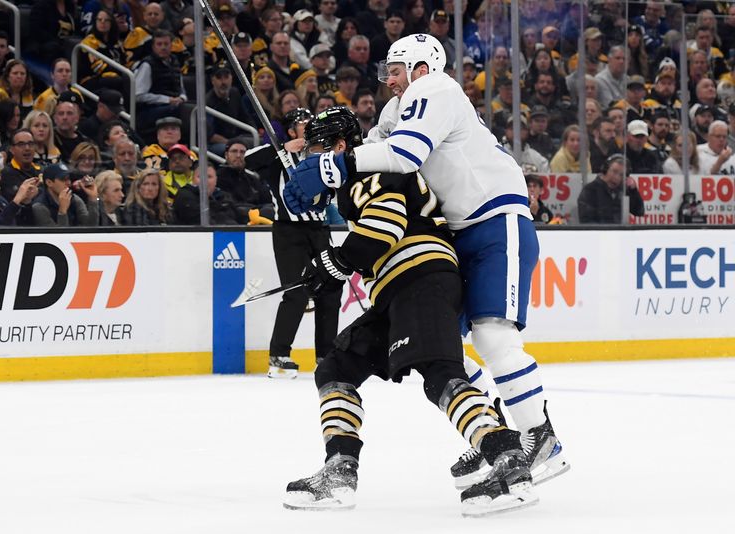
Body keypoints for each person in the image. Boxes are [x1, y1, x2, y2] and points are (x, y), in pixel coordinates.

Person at [282, 34, 568, 488]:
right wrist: (309, 164)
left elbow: (399, 155)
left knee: (493, 336)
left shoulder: (436, 88)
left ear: (421, 67)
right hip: (455, 236)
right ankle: (494, 434)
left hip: (494, 219)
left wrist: (332, 169)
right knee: (442, 351)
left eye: (395, 70)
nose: (388, 80)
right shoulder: (396, 111)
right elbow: (368, 155)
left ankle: (540, 437)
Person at [245, 108, 343, 378]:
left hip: (319, 229)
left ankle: (326, 356)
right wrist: (282, 149)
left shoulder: (322, 153)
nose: (311, 127)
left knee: (331, 289)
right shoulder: (278, 155)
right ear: (291, 131)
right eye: (305, 124)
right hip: (289, 231)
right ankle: (279, 356)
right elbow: (246, 160)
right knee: (296, 292)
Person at [216, 140, 273, 223]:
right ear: (226, 155)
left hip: (256, 215)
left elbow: (267, 198)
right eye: (234, 151)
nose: (238, 155)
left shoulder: (252, 179)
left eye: (242, 152)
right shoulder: (218, 177)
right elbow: (228, 205)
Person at [577, 155, 645, 224]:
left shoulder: (623, 190)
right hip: (599, 233)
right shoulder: (590, 190)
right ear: (605, 169)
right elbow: (586, 221)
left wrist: (633, 190)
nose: (617, 177)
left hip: (620, 233)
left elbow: (639, 212)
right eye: (614, 172)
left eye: (622, 175)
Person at [32, 162, 100, 227]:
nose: (68, 183)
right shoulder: (39, 207)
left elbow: (90, 227)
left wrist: (93, 199)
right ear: (49, 182)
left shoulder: (74, 199)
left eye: (68, 179)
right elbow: (57, 237)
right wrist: (62, 212)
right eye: (63, 179)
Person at [53, 92, 90, 161]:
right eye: (61, 114)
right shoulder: (49, 139)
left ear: (77, 118)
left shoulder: (85, 143)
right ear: (55, 118)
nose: (65, 117)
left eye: (69, 113)